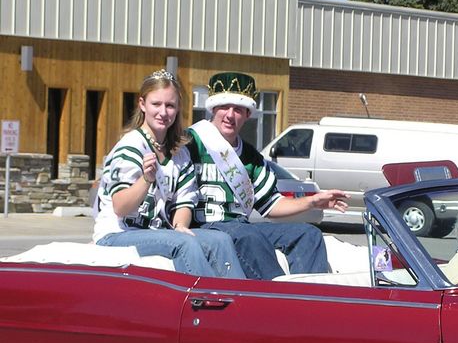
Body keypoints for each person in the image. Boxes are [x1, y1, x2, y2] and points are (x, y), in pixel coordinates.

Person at [187, 71, 349, 279]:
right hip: (204, 228)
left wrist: (313, 202)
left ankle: (309, 300)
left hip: (240, 228)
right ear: (212, 109)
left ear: (248, 114)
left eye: (238, 109)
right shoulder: (190, 143)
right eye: (224, 107)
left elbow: (271, 206)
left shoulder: (252, 157)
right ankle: (280, 299)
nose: (230, 115)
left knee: (308, 234)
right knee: (249, 236)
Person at [93, 69, 245, 279]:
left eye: (170, 105)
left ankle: (238, 300)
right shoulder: (130, 146)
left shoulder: (180, 153)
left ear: (178, 109)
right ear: (142, 104)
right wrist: (146, 180)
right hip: (118, 234)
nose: (163, 112)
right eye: (156, 104)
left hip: (157, 233)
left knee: (220, 240)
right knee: (184, 244)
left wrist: (180, 225)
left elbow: (184, 202)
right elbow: (120, 207)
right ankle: (206, 299)